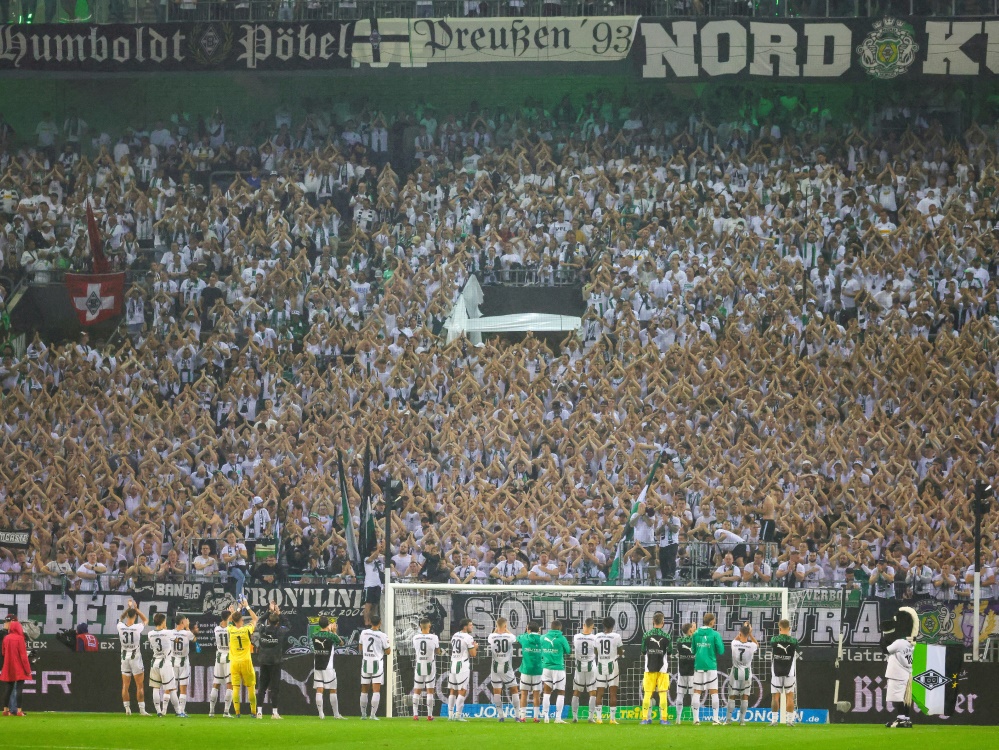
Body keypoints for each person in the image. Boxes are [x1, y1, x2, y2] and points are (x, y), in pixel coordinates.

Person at [883, 606, 918, 729]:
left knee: (896, 698)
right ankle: (905, 719)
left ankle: (902, 719)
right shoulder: (909, 643)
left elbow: (885, 649)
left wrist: (885, 634)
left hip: (897, 674)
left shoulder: (899, 642)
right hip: (906, 673)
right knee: (905, 698)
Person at [227, 599, 260, 718]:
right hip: (246, 661)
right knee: (251, 686)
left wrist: (236, 610)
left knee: (236, 687)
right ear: (241, 620)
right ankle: (253, 712)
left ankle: (237, 712)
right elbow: (255, 619)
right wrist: (247, 606)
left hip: (234, 662)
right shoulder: (246, 629)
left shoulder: (230, 630)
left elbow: (229, 620)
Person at [255, 601, 287, 719]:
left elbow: (258, 621)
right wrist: (279, 613)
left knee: (262, 687)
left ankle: (259, 712)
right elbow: (288, 625)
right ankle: (274, 712)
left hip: (264, 661)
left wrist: (269, 611)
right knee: (275, 688)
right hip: (275, 663)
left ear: (268, 621)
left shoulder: (262, 629)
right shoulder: (280, 631)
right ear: (277, 622)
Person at [117, 599, 149, 716]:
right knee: (139, 685)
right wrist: (135, 609)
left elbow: (120, 618)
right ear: (135, 616)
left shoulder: (120, 626)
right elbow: (146, 620)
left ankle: (127, 709)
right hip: (135, 658)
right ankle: (142, 710)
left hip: (124, 658)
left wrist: (128, 608)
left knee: (125, 685)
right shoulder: (137, 627)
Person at [692, 612, 725, 725]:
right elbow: (721, 651)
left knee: (697, 692)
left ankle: (696, 719)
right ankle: (715, 719)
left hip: (699, 666)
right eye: (714, 621)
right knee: (714, 692)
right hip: (711, 666)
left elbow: (692, 650)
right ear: (711, 622)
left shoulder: (696, 634)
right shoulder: (715, 634)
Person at [639, 611, 671, 726]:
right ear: (663, 623)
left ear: (653, 622)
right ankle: (663, 719)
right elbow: (670, 652)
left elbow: (643, 651)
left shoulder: (646, 635)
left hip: (649, 668)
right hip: (662, 669)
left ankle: (645, 719)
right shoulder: (667, 636)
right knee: (662, 694)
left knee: (647, 693)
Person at [487, 617, 521, 722]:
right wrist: (505, 630)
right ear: (505, 626)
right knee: (514, 689)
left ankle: (501, 716)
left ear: (496, 626)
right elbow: (514, 638)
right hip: (507, 667)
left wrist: (497, 629)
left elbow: (494, 634)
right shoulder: (511, 636)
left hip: (495, 667)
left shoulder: (491, 636)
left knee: (497, 691)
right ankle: (517, 716)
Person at [313, 616, 346, 720]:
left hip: (317, 664)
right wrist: (334, 631)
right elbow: (341, 643)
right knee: (332, 689)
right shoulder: (331, 635)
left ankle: (321, 714)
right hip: (328, 666)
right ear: (328, 624)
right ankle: (336, 714)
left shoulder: (314, 635)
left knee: (319, 689)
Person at [359, 615, 391, 720]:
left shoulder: (363, 633)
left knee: (364, 689)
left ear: (370, 622)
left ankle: (363, 714)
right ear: (380, 623)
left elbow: (360, 648)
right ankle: (372, 715)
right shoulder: (383, 635)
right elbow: (388, 651)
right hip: (377, 663)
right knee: (376, 689)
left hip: (366, 663)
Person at [540, 619, 571, 724]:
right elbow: (568, 651)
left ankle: (546, 717)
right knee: (561, 692)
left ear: (551, 627)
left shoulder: (543, 638)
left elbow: (540, 648)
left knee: (546, 692)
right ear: (559, 628)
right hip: (558, 669)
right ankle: (558, 718)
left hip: (546, 668)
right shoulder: (562, 638)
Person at [727, 622, 758, 725]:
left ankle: (728, 720)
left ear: (740, 633)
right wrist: (750, 633)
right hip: (746, 673)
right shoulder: (752, 645)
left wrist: (743, 630)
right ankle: (742, 721)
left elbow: (736, 639)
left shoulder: (734, 643)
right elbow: (757, 644)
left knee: (732, 695)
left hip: (735, 672)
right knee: (745, 696)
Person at [594, 615, 623, 725]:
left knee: (599, 692)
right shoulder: (616, 636)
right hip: (613, 665)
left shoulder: (597, 636)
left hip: (600, 665)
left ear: (603, 625)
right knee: (613, 693)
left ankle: (599, 719)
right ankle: (612, 719)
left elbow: (596, 652)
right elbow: (621, 652)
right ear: (613, 625)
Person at [147, 613, 178, 717]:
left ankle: (159, 711)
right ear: (163, 621)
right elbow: (177, 640)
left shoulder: (150, 633)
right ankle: (178, 712)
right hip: (166, 663)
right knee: (172, 687)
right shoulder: (168, 632)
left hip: (155, 662)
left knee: (156, 688)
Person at [769, 618, 799, 727]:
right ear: (789, 628)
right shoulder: (794, 641)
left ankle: (774, 721)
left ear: (779, 628)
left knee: (775, 697)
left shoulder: (774, 640)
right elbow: (797, 647)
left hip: (776, 670)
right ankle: (790, 721)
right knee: (790, 696)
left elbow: (772, 644)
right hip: (789, 671)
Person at [447, 617, 477, 722]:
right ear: (465, 626)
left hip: (453, 663)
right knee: (462, 690)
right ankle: (458, 715)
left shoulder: (455, 635)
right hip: (462, 665)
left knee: (452, 690)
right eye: (470, 625)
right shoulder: (468, 638)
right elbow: (473, 654)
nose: (472, 626)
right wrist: (475, 647)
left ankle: (450, 714)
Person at [411, 617, 441, 721]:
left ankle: (415, 714)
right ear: (429, 626)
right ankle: (429, 715)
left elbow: (416, 649)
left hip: (419, 664)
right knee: (430, 691)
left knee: (417, 690)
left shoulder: (415, 638)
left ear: (420, 626)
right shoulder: (434, 637)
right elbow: (437, 651)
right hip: (430, 665)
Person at [1, 616, 31, 717]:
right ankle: (19, 711)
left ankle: (5, 710)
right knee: (19, 688)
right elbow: (23, 656)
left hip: (8, 666)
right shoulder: (20, 639)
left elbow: (3, 652)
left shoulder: (6, 638)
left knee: (8, 688)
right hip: (19, 667)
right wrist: (27, 670)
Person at [570, 617, 598, 723]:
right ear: (592, 627)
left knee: (576, 691)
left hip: (579, 667)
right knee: (592, 691)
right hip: (591, 666)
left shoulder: (576, 636)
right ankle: (590, 717)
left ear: (583, 625)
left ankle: (574, 717)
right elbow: (596, 651)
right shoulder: (594, 638)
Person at [170, 615, 198, 718]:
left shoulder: (170, 633)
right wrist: (187, 627)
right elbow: (194, 639)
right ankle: (181, 711)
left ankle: (176, 710)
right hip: (183, 663)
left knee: (173, 688)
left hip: (173, 662)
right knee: (183, 688)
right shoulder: (187, 633)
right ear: (182, 622)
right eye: (185, 621)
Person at [517, 620, 544, 722]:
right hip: (538, 670)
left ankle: (522, 717)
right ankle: (536, 717)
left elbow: (517, 637)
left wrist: (527, 631)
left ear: (528, 629)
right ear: (538, 630)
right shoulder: (542, 639)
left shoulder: (524, 638)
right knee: (536, 694)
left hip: (526, 670)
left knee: (524, 694)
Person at [209, 610, 233, 718]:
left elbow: (223, 624)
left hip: (218, 657)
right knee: (230, 684)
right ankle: (226, 711)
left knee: (216, 684)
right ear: (228, 618)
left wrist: (229, 615)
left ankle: (211, 711)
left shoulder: (216, 629)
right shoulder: (230, 629)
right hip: (228, 656)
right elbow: (230, 625)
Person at [673, 622, 697, 725]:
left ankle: (678, 719)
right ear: (690, 630)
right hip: (692, 671)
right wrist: (695, 632)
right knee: (693, 695)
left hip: (682, 671)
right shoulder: (694, 640)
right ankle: (695, 719)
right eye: (692, 628)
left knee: (680, 694)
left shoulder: (679, 641)